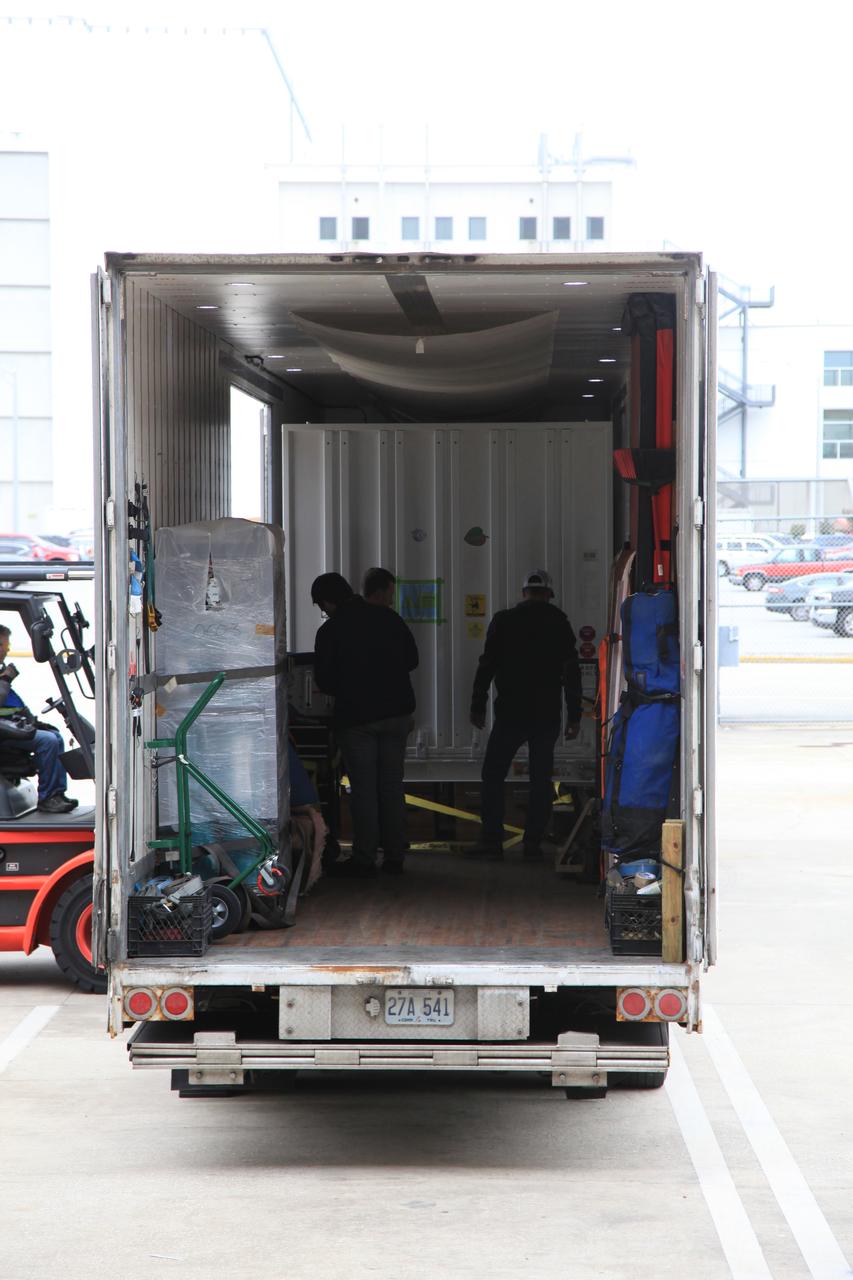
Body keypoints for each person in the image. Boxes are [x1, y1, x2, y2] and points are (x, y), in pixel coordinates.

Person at [468, 569, 581, 861]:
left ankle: (492, 842)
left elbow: (486, 665)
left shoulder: (504, 621)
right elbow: (571, 672)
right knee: (540, 780)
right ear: (548, 595)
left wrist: (477, 704)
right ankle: (532, 845)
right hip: (546, 714)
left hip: (511, 712)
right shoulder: (558, 622)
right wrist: (575, 715)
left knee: (492, 775)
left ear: (523, 593)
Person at [311, 572, 418, 876]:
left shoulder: (331, 631)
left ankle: (365, 857)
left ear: (330, 601)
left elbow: (324, 680)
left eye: (322, 605)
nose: (324, 611)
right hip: (397, 715)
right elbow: (412, 660)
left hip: (357, 720)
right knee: (391, 785)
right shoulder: (389, 619)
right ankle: (395, 856)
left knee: (364, 790)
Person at [0, 624, 78, 814]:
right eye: (4, 645)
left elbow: (13, 706)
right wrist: (5, 680)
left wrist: (33, 722)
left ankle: (56, 793)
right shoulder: (3, 677)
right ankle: (48, 797)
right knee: (48, 741)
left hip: (9, 728)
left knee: (55, 736)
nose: (6, 650)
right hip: (4, 734)